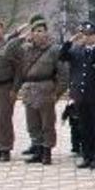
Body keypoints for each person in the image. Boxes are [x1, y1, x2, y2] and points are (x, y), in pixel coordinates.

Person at [59, 22, 95, 169]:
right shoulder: (77, 50)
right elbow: (62, 56)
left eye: (90, 35)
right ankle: (87, 156)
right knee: (84, 127)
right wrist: (70, 41)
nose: (87, 38)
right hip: (80, 95)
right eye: (84, 35)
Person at [0, 16, 28, 161]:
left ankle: (5, 149)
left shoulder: (9, 47)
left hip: (3, 88)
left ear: (2, 29)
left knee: (3, 120)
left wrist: (15, 89)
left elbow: (18, 70)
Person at [18, 16, 62, 165]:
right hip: (29, 88)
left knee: (47, 123)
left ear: (46, 33)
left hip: (45, 88)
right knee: (32, 123)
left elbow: (63, 73)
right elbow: (9, 52)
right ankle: (37, 149)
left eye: (41, 31)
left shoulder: (54, 50)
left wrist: (57, 92)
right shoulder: (25, 49)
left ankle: (47, 151)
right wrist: (19, 37)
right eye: (35, 31)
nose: (38, 34)